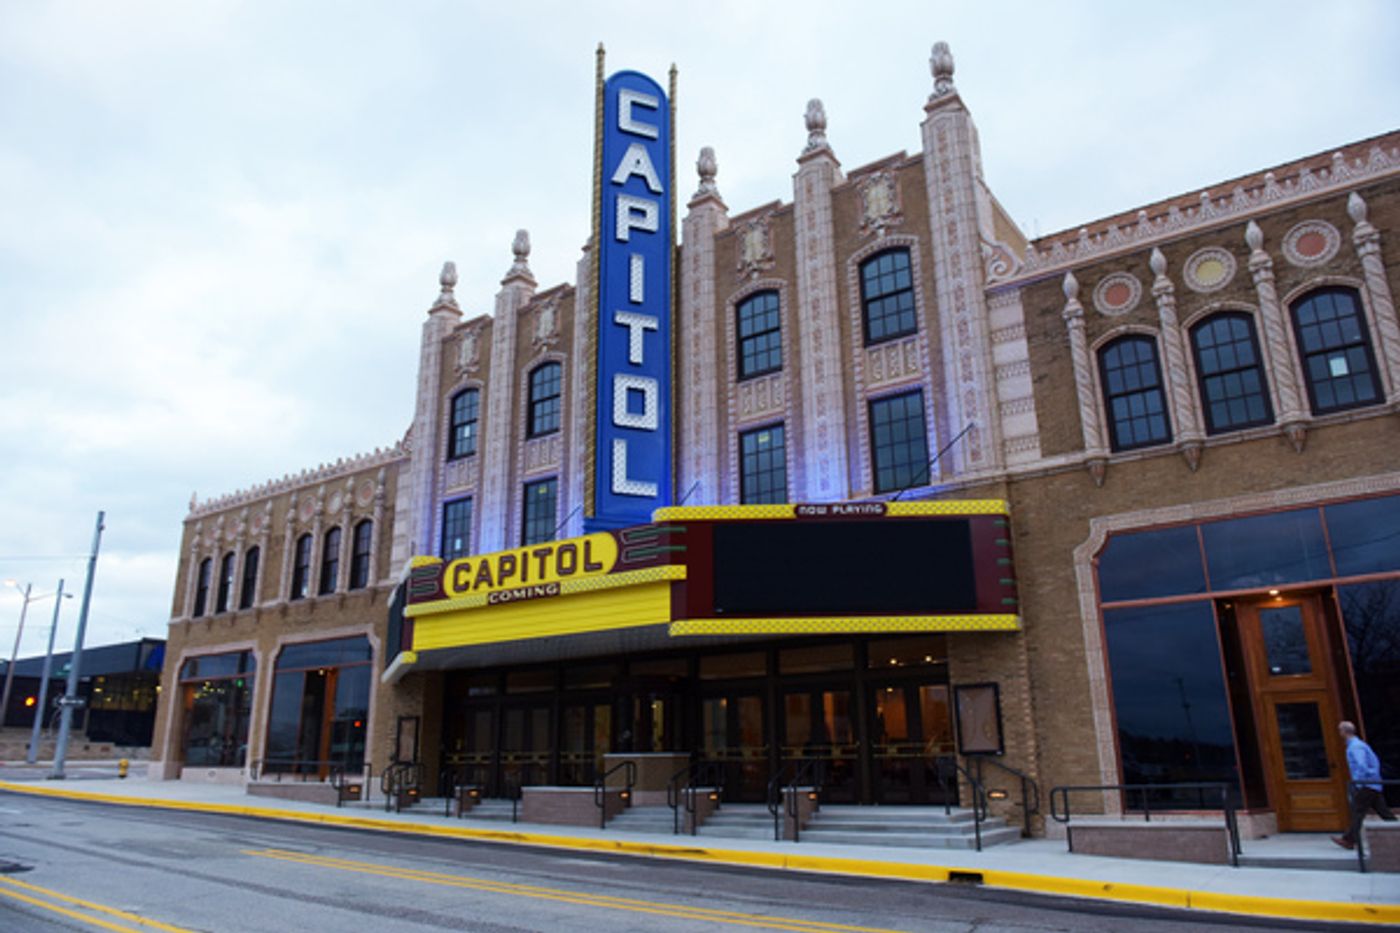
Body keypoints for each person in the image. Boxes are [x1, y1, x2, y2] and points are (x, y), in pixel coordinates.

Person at [1332, 720, 1396, 850]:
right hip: (1373, 784)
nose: (1339, 733)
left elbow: (1361, 765)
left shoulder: (1355, 747)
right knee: (1383, 811)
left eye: (1340, 730)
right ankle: (1396, 827)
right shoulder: (1359, 745)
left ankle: (1349, 840)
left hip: (1366, 784)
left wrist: (1358, 782)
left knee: (1357, 811)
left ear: (1344, 732)